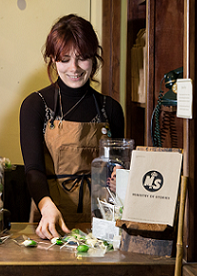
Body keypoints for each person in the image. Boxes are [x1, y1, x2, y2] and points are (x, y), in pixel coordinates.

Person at [19, 14, 125, 239]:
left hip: (102, 226)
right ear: (53, 60)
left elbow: (117, 170)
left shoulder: (111, 109)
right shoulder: (36, 105)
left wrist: (120, 180)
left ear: (94, 58)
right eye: (65, 59)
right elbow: (33, 170)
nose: (74, 68)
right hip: (50, 222)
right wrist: (46, 207)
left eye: (82, 58)